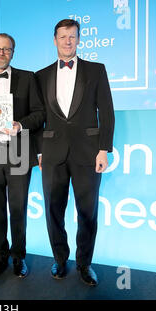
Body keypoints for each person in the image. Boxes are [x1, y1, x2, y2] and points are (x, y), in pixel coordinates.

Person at [35, 19, 115, 286]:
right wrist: (38, 153)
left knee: (87, 211)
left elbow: (107, 112)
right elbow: (38, 117)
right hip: (52, 154)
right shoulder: (41, 75)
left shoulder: (96, 70)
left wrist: (103, 149)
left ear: (79, 39)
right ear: (54, 40)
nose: (68, 41)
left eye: (73, 36)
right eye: (63, 36)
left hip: (88, 153)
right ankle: (60, 259)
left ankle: (84, 263)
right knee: (53, 210)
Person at [0, 33, 44, 279]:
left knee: (18, 209)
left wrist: (20, 125)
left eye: (7, 49)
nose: (1, 53)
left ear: (13, 52)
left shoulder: (28, 78)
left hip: (19, 153)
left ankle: (18, 257)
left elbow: (39, 114)